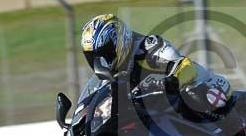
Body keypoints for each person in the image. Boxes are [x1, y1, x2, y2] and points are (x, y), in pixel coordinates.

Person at [81, 14, 232, 117]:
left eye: (105, 53)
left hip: (206, 86)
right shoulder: (107, 75)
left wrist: (170, 81)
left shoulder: (148, 47)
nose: (101, 61)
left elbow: (184, 65)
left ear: (119, 41)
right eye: (93, 57)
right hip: (162, 113)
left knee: (193, 93)